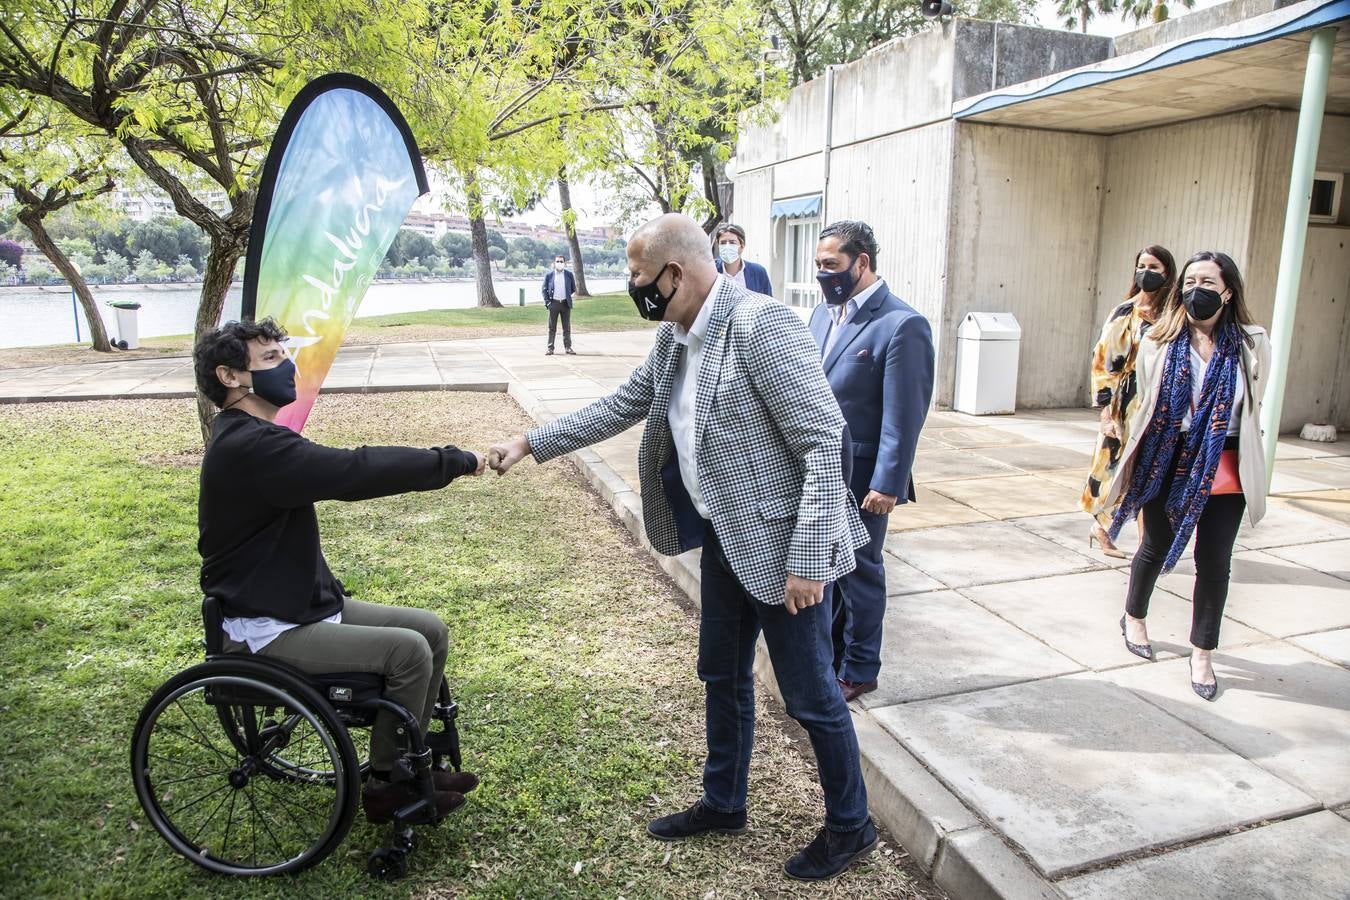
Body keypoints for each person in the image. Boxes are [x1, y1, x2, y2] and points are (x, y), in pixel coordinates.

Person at [488, 213, 877, 882]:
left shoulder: (761, 325)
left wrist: (809, 560)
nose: (634, 288)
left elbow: (823, 441)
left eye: (638, 277)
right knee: (720, 675)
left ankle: (852, 825)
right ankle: (724, 802)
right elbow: (623, 402)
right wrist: (533, 442)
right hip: (725, 540)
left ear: (675, 274)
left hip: (786, 555)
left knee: (811, 695)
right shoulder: (677, 336)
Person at [194, 318, 485, 823]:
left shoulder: (256, 437)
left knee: (429, 629)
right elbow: (356, 470)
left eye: (284, 354)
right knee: (408, 651)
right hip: (264, 628)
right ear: (231, 376)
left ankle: (404, 763)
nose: (287, 366)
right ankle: (387, 785)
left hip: (295, 604)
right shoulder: (253, 447)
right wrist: (454, 461)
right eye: (270, 360)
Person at [1102, 251, 1270, 700]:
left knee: (1214, 562)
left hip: (1224, 464)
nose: (1197, 289)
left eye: (1209, 283)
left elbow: (1254, 406)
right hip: (1167, 457)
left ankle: (1203, 653)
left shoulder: (1252, 343)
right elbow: (1144, 401)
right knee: (1154, 545)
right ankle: (1134, 616)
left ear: (1228, 292)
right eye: (1191, 280)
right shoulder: (1158, 339)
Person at [808, 221, 934, 702]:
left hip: (864, 477)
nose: (823, 274)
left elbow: (904, 416)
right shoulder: (823, 315)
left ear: (862, 263)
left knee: (861, 571)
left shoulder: (902, 324)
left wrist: (887, 483)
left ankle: (861, 666)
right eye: (818, 265)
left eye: (832, 265)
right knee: (828, 568)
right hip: (822, 469)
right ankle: (833, 656)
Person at [1082, 245, 1177, 558]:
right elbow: (1103, 361)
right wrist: (1107, 411)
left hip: (1162, 405)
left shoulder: (1174, 315)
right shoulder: (1126, 312)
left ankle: (1138, 541)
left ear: (1168, 274)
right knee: (1120, 470)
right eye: (1142, 265)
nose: (1146, 272)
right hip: (1127, 406)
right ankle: (1110, 529)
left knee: (1151, 472)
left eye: (1155, 267)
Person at [711, 223, 772, 295]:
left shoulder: (758, 272)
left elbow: (768, 302)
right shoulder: (711, 270)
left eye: (732, 242)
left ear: (742, 246)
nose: (727, 246)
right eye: (723, 243)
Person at [542, 254, 576, 355]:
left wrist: (566, 296)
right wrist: (548, 303)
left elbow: (573, 288)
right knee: (552, 328)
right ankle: (550, 348)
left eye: (561, 261)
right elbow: (544, 290)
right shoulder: (549, 275)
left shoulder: (569, 275)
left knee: (567, 328)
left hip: (565, 304)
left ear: (565, 263)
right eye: (557, 261)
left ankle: (568, 347)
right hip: (554, 304)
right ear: (554, 263)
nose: (559, 263)